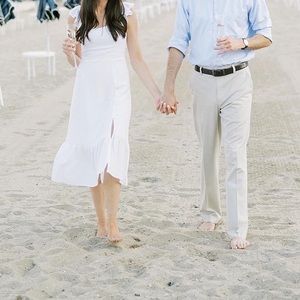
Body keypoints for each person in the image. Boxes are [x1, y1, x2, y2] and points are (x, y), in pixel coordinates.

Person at [160, 0, 272, 249]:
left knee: (235, 153)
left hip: (238, 80)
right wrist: (169, 89)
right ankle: (210, 214)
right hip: (202, 80)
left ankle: (238, 229)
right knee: (207, 151)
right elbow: (178, 42)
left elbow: (265, 35)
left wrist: (241, 43)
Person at [52, 0, 161, 242]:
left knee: (113, 146)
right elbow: (77, 62)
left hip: (117, 89)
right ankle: (101, 221)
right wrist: (69, 52)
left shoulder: (126, 13)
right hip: (89, 90)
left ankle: (112, 223)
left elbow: (137, 58)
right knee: (95, 150)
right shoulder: (76, 16)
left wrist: (157, 94)